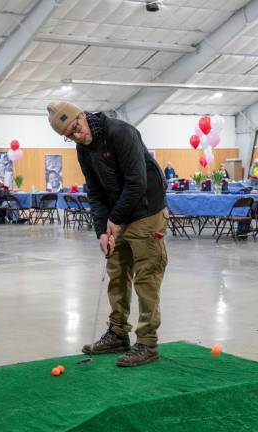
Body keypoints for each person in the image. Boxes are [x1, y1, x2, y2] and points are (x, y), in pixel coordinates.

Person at [47, 101, 168, 367]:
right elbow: (95, 191)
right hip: (119, 213)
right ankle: (117, 333)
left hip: (147, 212)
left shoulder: (121, 132)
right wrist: (102, 230)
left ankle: (147, 343)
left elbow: (137, 182)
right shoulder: (83, 149)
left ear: (82, 115)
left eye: (76, 128)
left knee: (146, 277)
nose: (77, 136)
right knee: (117, 271)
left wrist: (115, 218)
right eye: (69, 136)